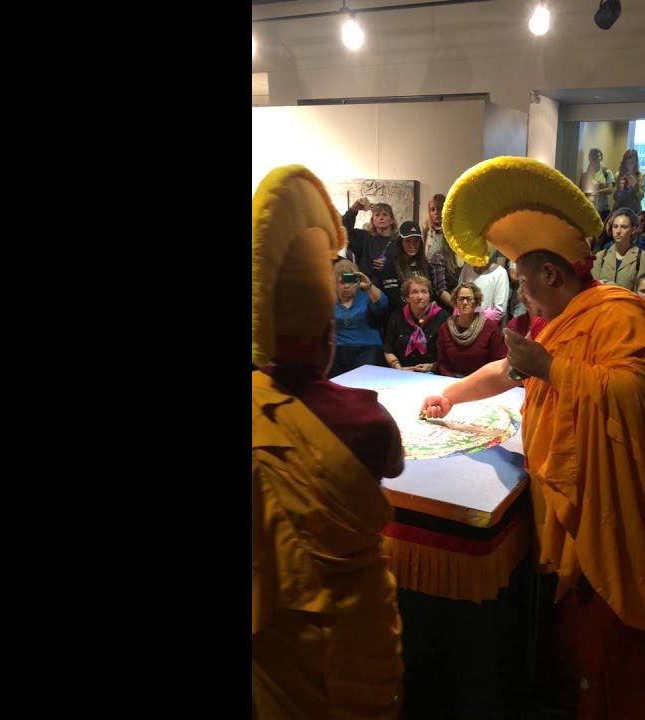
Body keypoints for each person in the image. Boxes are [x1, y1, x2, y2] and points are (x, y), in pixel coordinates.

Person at [424, 156, 645, 719]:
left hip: (608, 506)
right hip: (560, 493)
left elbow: (636, 395)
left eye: (525, 283)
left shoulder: (620, 314)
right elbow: (509, 370)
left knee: (607, 648)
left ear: (553, 276)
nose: (521, 294)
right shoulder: (558, 319)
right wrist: (451, 396)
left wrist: (549, 368)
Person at [251, 164, 405, 719]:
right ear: (326, 330)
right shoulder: (364, 421)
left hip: (268, 654)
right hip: (350, 646)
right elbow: (395, 463)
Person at [329, 258, 389, 377]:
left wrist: (369, 286)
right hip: (337, 351)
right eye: (342, 282)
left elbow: (383, 304)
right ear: (335, 284)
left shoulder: (366, 296)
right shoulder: (330, 301)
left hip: (367, 349)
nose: (347, 286)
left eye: (350, 281)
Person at [436, 282, 508, 378]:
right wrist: (452, 380)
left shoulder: (490, 328)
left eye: (469, 299)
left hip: (481, 381)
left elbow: (496, 361)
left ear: (476, 302)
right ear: (455, 302)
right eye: (461, 299)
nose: (465, 303)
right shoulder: (445, 328)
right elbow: (442, 362)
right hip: (451, 380)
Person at [383, 275, 449, 372]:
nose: (420, 297)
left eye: (424, 292)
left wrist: (433, 366)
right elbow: (388, 349)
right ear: (406, 298)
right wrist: (398, 368)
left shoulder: (442, 317)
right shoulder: (397, 316)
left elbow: (449, 352)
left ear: (429, 295)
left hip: (432, 372)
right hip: (402, 371)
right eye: (414, 292)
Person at [380, 221, 441, 321]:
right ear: (401, 242)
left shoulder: (426, 265)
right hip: (401, 316)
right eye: (408, 241)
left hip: (425, 314)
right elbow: (394, 298)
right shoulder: (391, 265)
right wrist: (415, 314)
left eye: (416, 241)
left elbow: (431, 293)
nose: (412, 245)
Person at [343, 198, 398, 287]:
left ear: (391, 220)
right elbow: (344, 230)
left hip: (391, 289)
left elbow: (404, 267)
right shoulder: (364, 238)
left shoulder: (398, 242)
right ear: (372, 220)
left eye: (385, 215)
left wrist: (388, 266)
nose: (381, 217)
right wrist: (353, 209)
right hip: (366, 289)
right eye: (377, 215)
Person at [594, 209, 645, 290]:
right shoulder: (600, 256)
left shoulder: (642, 258)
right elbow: (594, 289)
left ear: (633, 230)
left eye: (624, 227)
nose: (618, 231)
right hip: (604, 301)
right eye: (615, 226)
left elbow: (641, 293)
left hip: (628, 301)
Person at [578, 148, 616, 218]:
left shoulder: (607, 172)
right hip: (589, 208)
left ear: (601, 157)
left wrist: (597, 191)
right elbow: (582, 190)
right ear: (589, 158)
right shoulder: (585, 174)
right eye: (593, 157)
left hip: (603, 209)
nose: (596, 159)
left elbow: (610, 189)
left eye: (598, 156)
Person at [612, 149, 645, 213]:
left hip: (635, 210)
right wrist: (619, 189)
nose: (629, 165)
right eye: (627, 163)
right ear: (624, 163)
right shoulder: (618, 175)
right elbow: (614, 197)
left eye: (632, 162)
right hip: (619, 209)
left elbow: (640, 197)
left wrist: (635, 185)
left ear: (636, 162)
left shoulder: (641, 175)